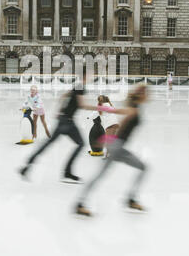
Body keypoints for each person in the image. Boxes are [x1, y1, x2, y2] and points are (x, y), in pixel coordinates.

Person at [75, 85, 149, 216]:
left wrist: (96, 107)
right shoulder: (134, 111)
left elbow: (114, 112)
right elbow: (121, 127)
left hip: (116, 147)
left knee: (100, 175)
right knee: (143, 168)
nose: (147, 94)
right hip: (117, 147)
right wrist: (107, 138)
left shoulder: (132, 108)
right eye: (145, 92)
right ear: (141, 95)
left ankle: (80, 202)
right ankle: (130, 199)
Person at [19, 68, 98, 184]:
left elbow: (63, 96)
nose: (92, 76)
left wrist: (60, 111)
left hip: (65, 120)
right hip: (67, 122)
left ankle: (28, 165)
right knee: (80, 144)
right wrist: (100, 108)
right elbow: (82, 105)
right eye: (91, 74)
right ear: (85, 75)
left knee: (50, 143)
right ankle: (66, 172)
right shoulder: (81, 86)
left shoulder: (78, 85)